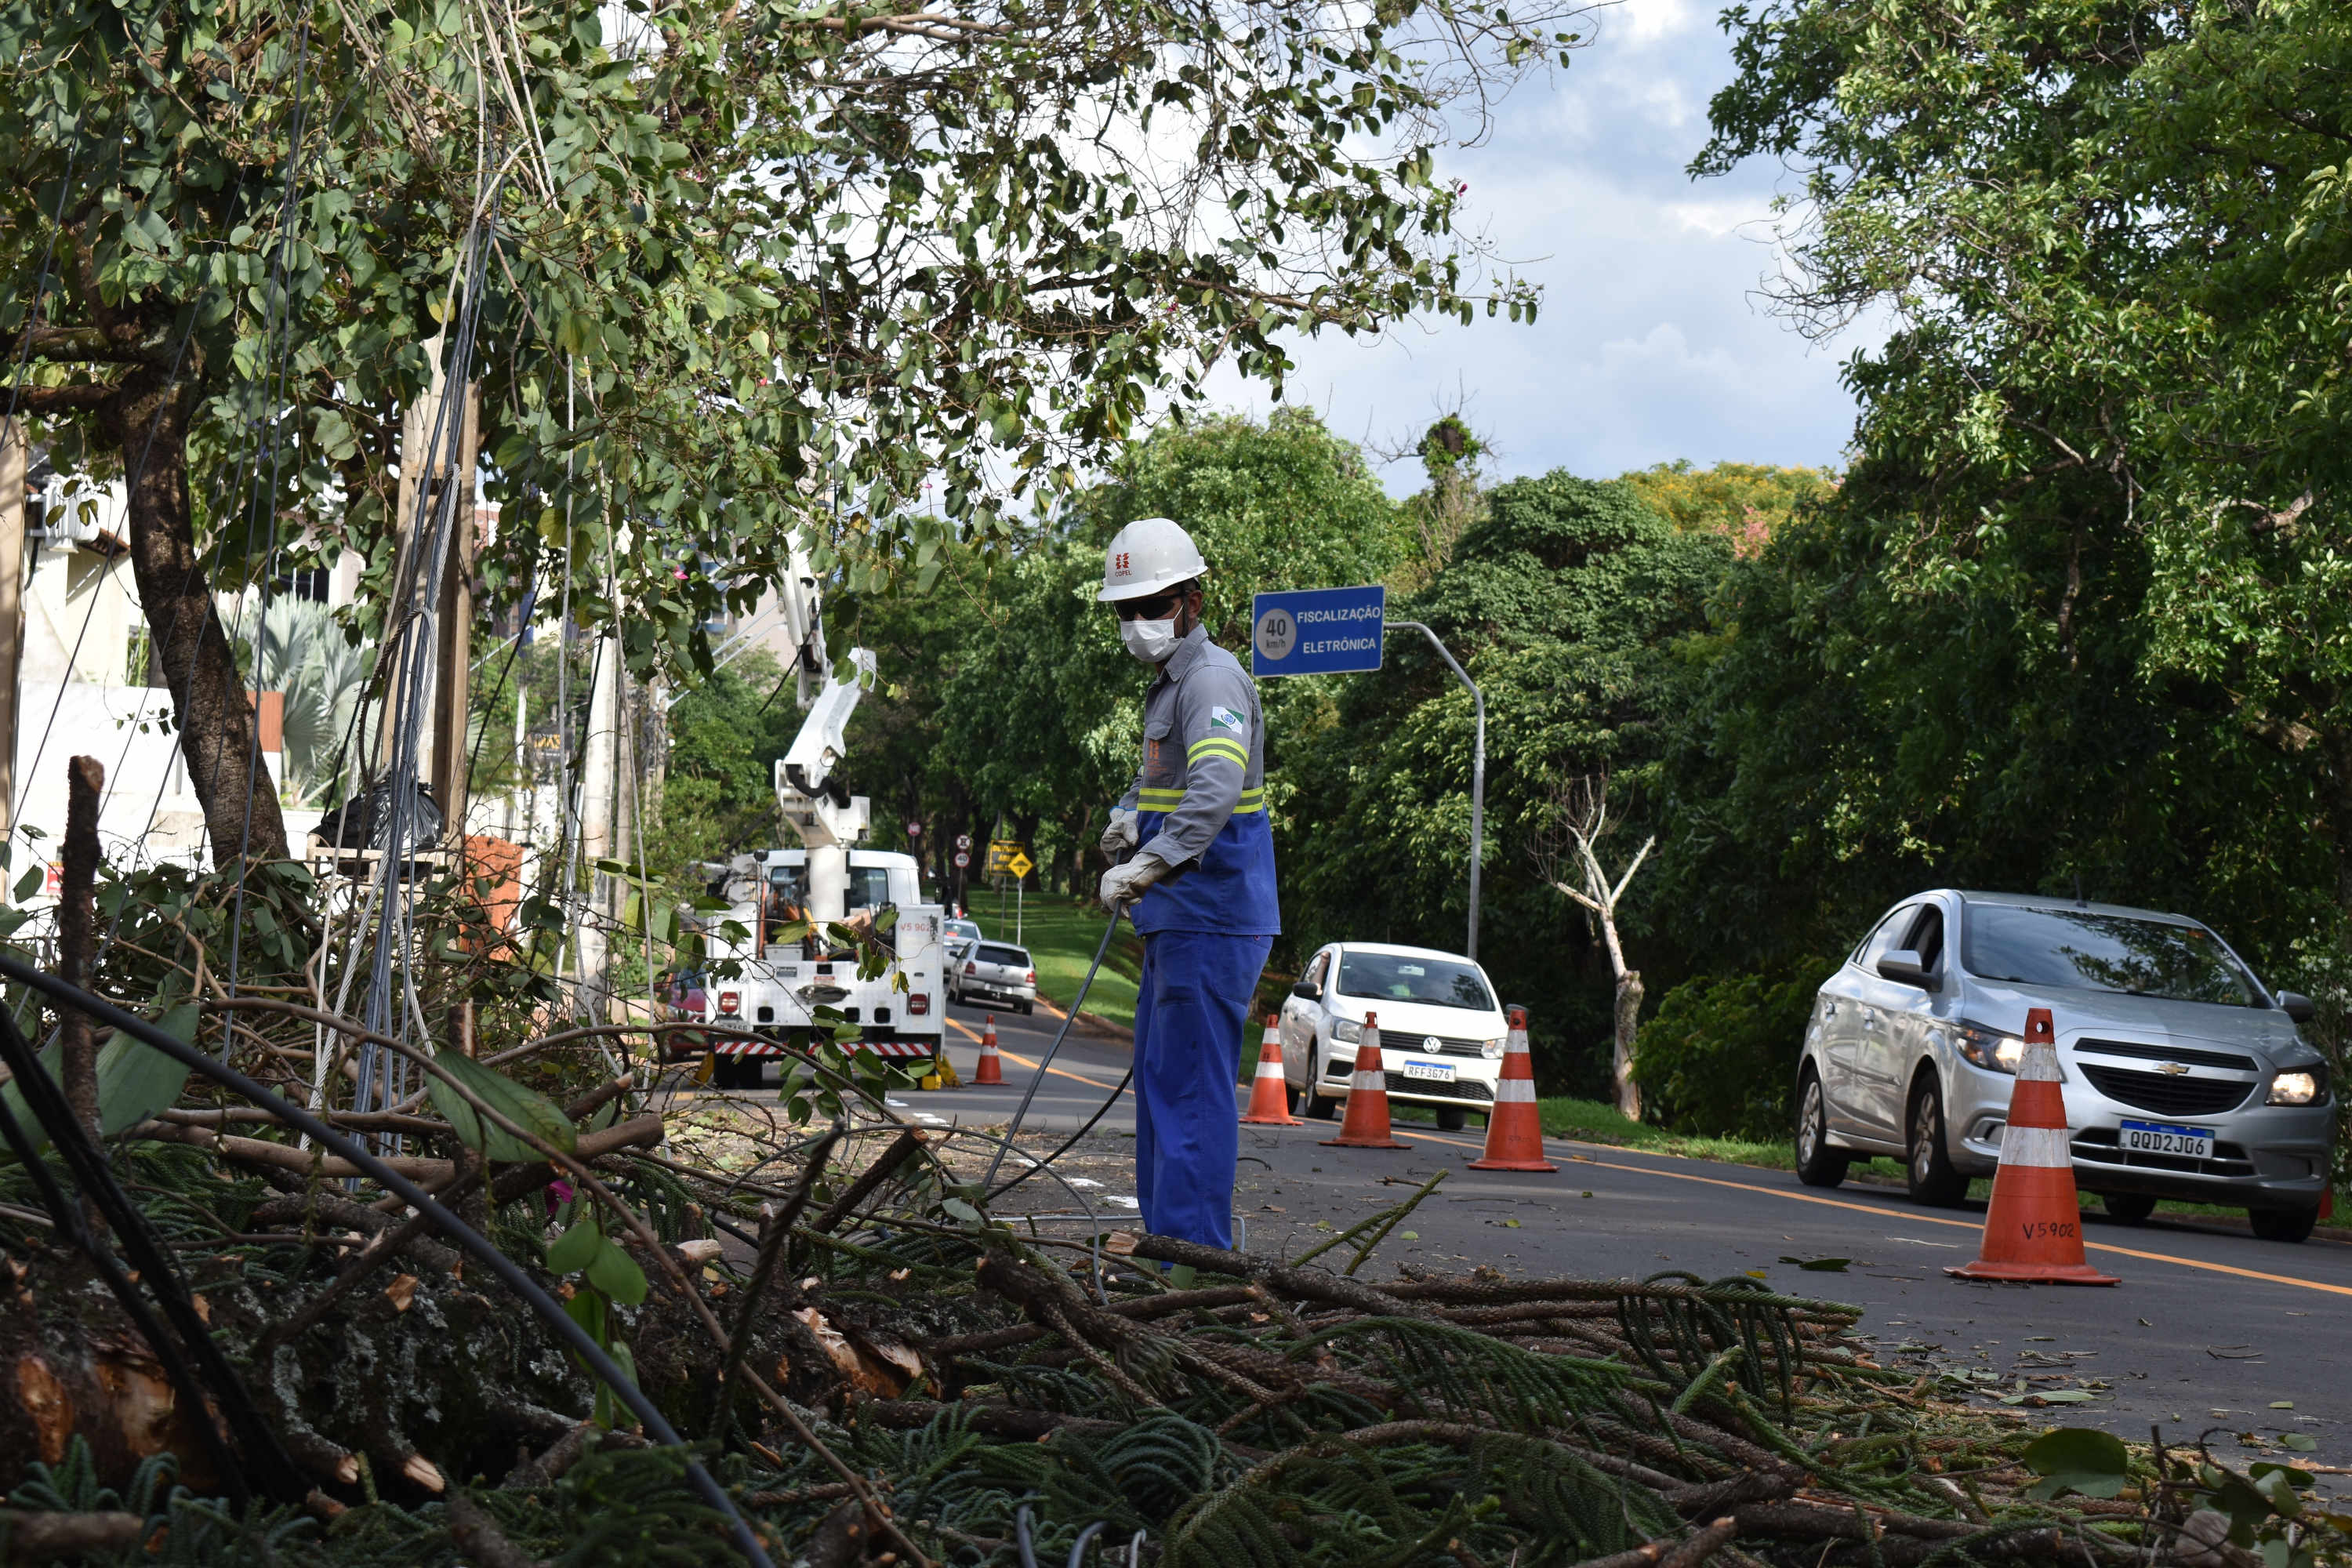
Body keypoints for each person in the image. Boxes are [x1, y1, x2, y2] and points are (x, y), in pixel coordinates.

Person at [1095, 517, 1278, 1251]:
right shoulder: (1172, 686)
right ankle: (1167, 1246)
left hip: (1212, 914)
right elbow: (1165, 784)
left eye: (1155, 605)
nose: (1139, 623)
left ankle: (1194, 1261)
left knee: (1192, 1097)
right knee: (1164, 1089)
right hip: (1181, 917)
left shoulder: (1210, 679)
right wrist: (1127, 817)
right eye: (1127, 610)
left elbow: (1215, 788)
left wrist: (1148, 862)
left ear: (1193, 602)